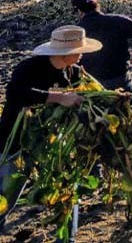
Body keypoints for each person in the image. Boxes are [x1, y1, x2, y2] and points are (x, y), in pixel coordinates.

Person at [0, 26, 100, 229]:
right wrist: (59, 98)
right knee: (9, 187)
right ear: (66, 54)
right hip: (15, 135)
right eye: (79, 52)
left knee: (60, 182)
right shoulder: (29, 67)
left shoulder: (72, 72)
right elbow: (16, 94)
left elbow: (77, 96)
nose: (82, 55)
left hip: (47, 139)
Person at [73, 0, 132, 106]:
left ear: (80, 12)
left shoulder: (78, 30)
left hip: (93, 81)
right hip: (119, 76)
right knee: (131, 112)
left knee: (101, 115)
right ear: (97, 6)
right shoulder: (118, 21)